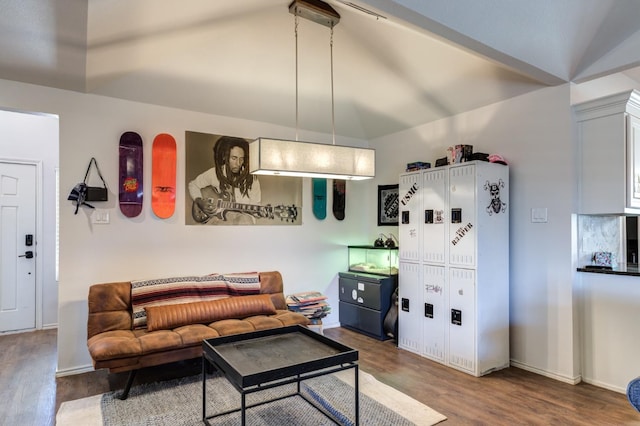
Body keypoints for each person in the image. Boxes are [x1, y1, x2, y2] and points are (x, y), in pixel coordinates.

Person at [188, 136, 261, 224]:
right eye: (234, 158)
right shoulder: (214, 173)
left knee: (245, 220)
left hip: (242, 220)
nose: (238, 164)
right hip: (220, 219)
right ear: (225, 158)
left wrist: (258, 212)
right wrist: (199, 200)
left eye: (241, 159)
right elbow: (193, 185)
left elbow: (256, 204)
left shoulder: (252, 179)